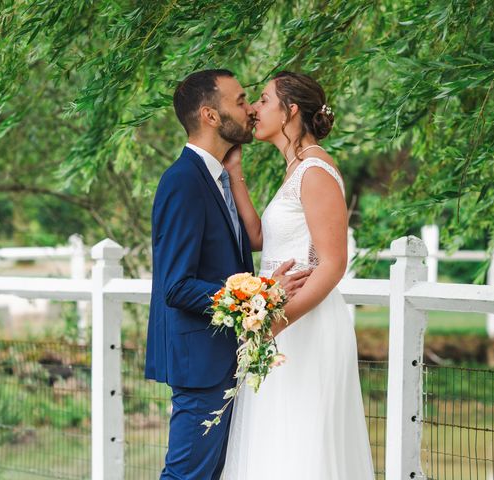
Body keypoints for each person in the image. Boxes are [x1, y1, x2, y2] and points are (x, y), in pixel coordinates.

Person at [144, 69, 310, 480]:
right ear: (210, 115)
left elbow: (243, 244)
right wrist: (261, 296)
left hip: (227, 356)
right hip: (201, 362)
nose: (250, 109)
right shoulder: (182, 181)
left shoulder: (216, 177)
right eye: (239, 101)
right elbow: (176, 286)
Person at [222, 71, 375, 479]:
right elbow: (259, 237)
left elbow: (333, 264)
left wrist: (276, 322)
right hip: (277, 321)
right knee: (274, 443)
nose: (254, 109)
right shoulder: (294, 171)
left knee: (301, 444)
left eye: (264, 99)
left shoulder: (315, 172)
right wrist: (235, 171)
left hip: (303, 324)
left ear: (291, 111)